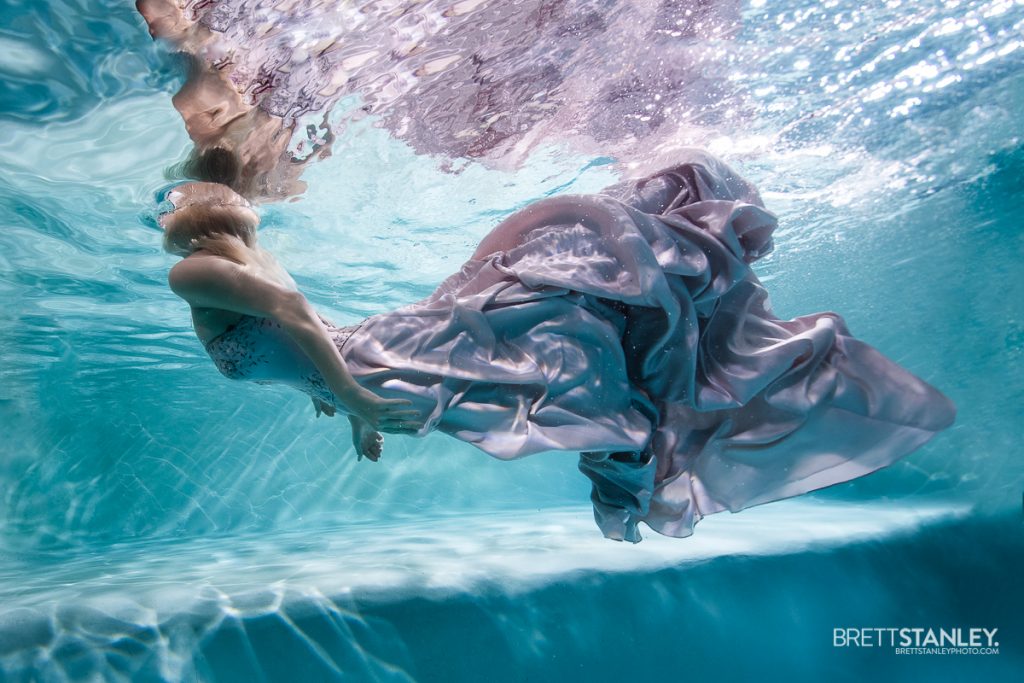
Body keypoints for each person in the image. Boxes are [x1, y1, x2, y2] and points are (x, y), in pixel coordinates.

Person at [161, 150, 956, 542]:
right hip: (359, 368)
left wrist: (359, 400)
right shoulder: (231, 262)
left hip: (374, 362)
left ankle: (636, 447)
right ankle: (634, 449)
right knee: (540, 361)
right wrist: (344, 408)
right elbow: (296, 341)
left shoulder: (196, 272)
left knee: (548, 348)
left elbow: (299, 324)